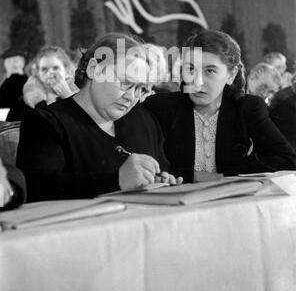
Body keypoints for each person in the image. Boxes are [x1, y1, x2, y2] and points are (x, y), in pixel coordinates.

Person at [16, 33, 181, 202]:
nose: (131, 96)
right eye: (125, 82)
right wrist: (116, 181)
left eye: (140, 89)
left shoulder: (145, 122)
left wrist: (161, 180)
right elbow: (38, 190)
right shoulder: (45, 123)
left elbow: (163, 170)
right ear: (93, 69)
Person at [144, 30, 296, 183]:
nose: (198, 81)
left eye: (209, 71)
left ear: (231, 75)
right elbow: (150, 168)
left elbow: (287, 160)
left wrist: (222, 177)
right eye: (190, 69)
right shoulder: (160, 107)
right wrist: (194, 177)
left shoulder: (247, 107)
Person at [0, 47, 28, 114]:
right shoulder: (5, 80)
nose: (12, 64)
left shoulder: (26, 81)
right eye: (8, 61)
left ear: (23, 63)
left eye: (15, 61)